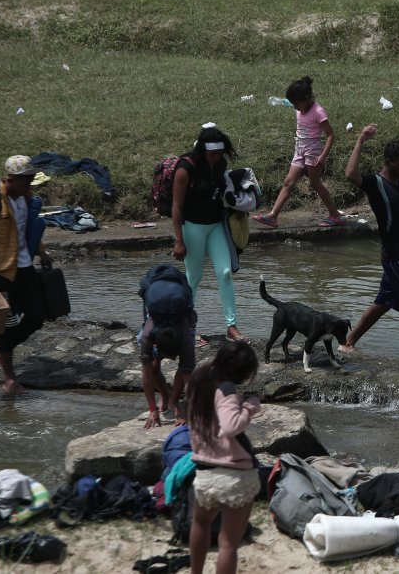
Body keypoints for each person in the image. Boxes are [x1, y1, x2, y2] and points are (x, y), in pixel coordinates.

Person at [339, 124, 399, 361]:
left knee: (383, 302)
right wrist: (361, 140)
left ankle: (348, 342)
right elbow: (351, 174)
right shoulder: (376, 183)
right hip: (396, 257)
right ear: (389, 161)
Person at [0, 155, 51, 395]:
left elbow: (26, 229)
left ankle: (2, 351)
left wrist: (41, 251)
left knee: (37, 315)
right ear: (11, 179)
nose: (30, 184)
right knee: (6, 325)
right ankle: (9, 378)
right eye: (26, 180)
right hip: (1, 270)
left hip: (24, 264)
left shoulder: (24, 197)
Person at [187, 340, 261, 574]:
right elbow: (230, 427)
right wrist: (250, 406)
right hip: (233, 474)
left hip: (204, 468)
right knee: (229, 543)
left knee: (200, 523)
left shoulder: (199, 381)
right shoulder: (227, 389)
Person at [172, 124, 245, 343]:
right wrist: (179, 240)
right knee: (194, 277)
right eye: (212, 154)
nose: (216, 158)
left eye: (219, 154)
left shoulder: (219, 163)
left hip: (215, 226)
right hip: (192, 227)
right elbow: (176, 206)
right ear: (202, 150)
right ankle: (187, 327)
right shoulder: (185, 168)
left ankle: (231, 327)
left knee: (224, 273)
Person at [252, 76, 346, 228]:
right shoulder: (300, 109)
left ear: (307, 98)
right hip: (300, 149)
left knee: (315, 183)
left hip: (313, 150)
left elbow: (330, 135)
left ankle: (335, 215)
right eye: (293, 104)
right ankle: (272, 216)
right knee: (288, 181)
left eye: (296, 103)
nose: (295, 107)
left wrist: (322, 156)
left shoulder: (318, 112)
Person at [138, 264, 198, 428]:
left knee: (185, 366)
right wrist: (152, 409)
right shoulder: (148, 335)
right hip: (157, 313)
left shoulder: (185, 337)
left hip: (183, 318)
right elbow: (147, 374)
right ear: (155, 344)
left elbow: (189, 377)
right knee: (154, 366)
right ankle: (165, 395)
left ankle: (173, 401)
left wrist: (189, 414)